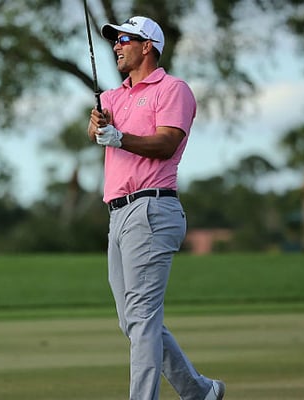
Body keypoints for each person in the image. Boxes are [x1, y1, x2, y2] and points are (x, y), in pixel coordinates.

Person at [86, 16, 225, 400]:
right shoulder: (115, 97)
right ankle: (199, 392)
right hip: (117, 215)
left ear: (147, 46)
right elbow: (95, 128)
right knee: (132, 320)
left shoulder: (172, 89)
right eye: (114, 41)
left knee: (143, 320)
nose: (116, 46)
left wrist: (119, 137)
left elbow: (165, 143)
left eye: (124, 39)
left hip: (151, 208)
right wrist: (99, 124)